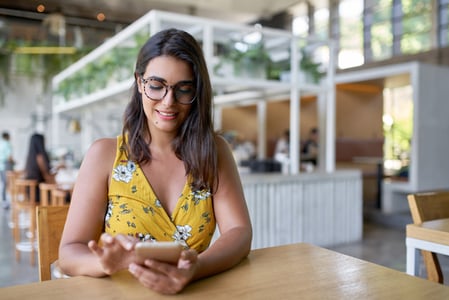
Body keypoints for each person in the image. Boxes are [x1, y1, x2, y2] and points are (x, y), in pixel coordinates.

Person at [59, 28, 252, 295]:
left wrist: (194, 270)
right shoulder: (105, 155)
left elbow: (239, 232)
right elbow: (69, 253)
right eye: (156, 86)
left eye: (184, 89)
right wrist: (104, 263)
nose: (168, 102)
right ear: (140, 83)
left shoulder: (214, 152)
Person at [24, 133, 57, 202]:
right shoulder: (40, 157)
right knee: (67, 196)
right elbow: (48, 178)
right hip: (39, 194)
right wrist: (57, 171)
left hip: (30, 193)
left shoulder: (30, 158)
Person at [0, 131, 13, 209]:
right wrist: (14, 162)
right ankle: (6, 201)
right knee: (7, 183)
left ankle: (4, 200)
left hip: (0, 166)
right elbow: (9, 157)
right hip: (6, 165)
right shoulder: (8, 144)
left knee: (3, 183)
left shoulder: (1, 144)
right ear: (7, 137)